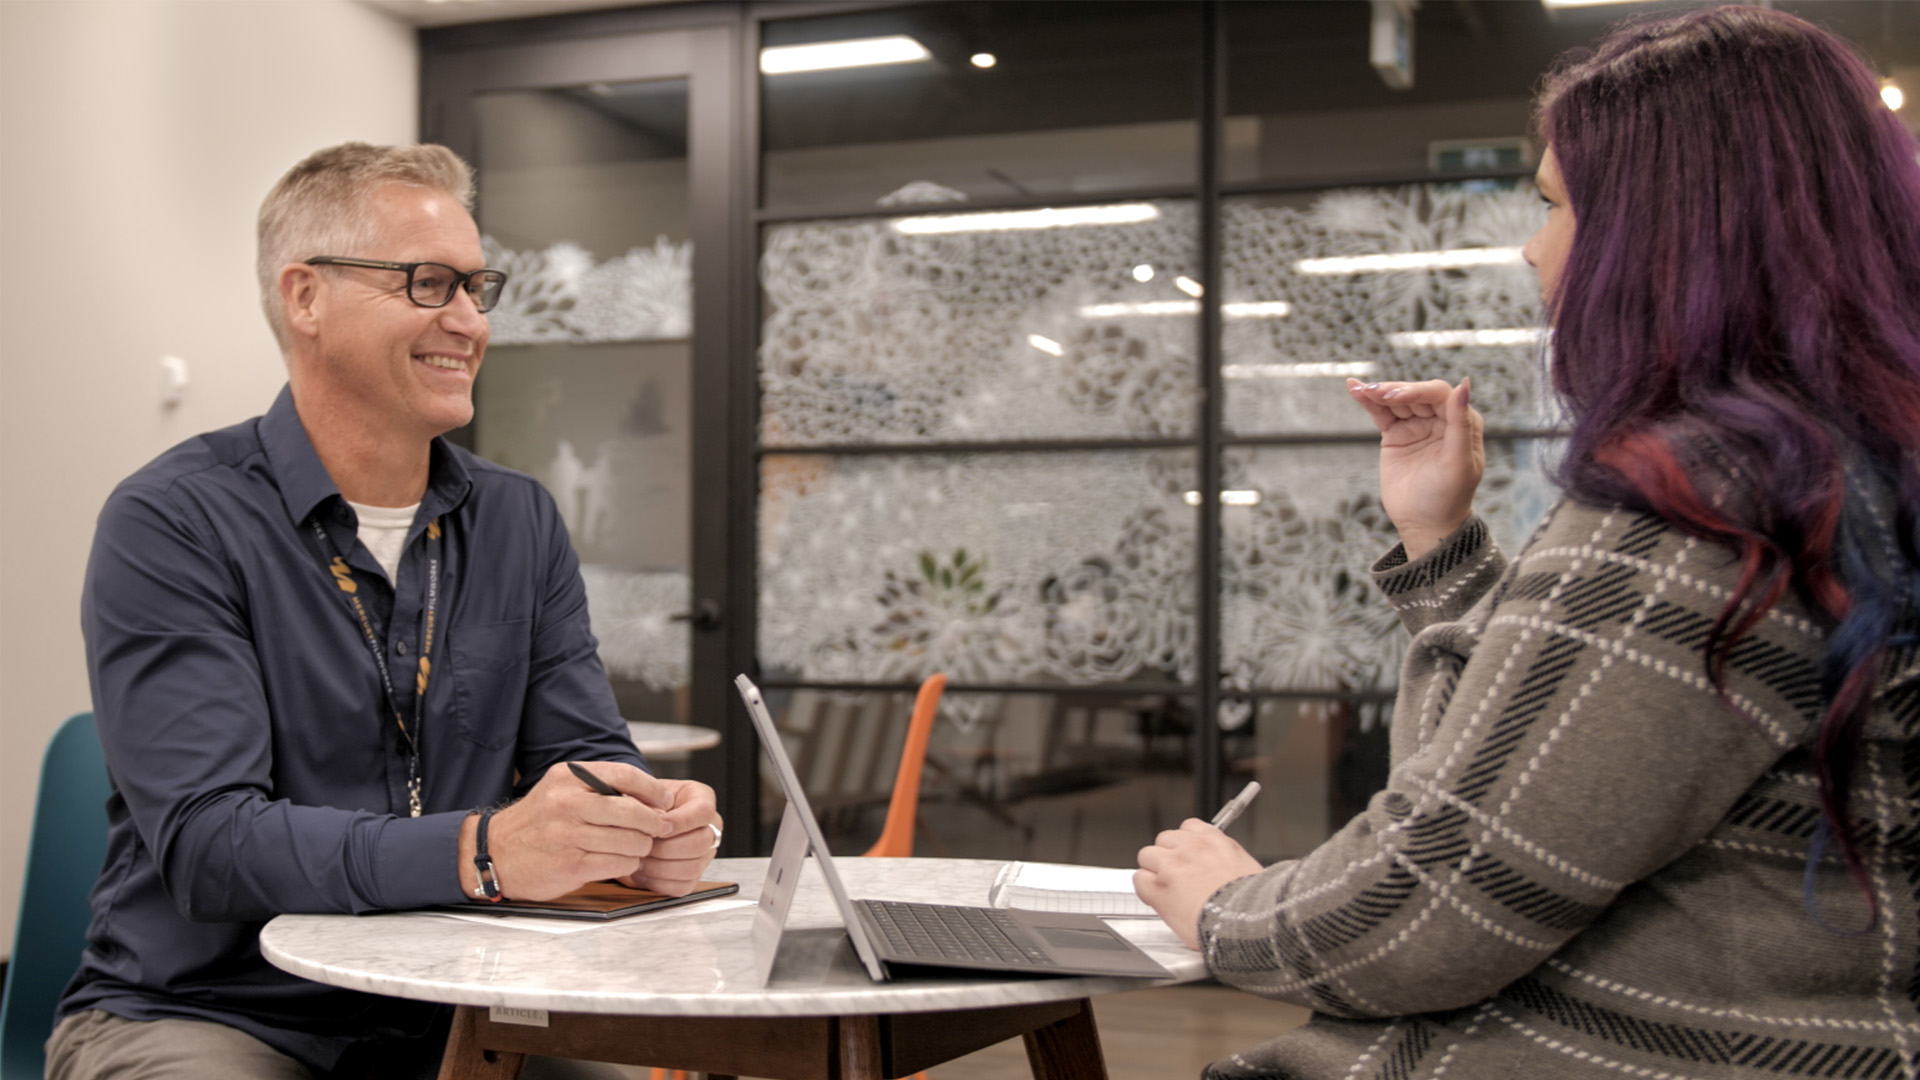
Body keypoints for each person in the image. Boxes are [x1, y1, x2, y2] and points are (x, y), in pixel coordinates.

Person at [1136, 6, 1920, 1078]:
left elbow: (1432, 910)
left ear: (1667, 229)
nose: (1530, 244)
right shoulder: (1845, 467)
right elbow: (1497, 795)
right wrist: (1438, 542)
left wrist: (1223, 905)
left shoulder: (1708, 500)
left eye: (1554, 205)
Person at [47, 143, 723, 1080]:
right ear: (305, 297)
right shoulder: (172, 519)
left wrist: (644, 822)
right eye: (427, 282)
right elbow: (211, 845)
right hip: (217, 1013)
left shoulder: (517, 519)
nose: (469, 321)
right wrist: (485, 851)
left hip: (464, 1002)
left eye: (477, 287)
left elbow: (586, 757)